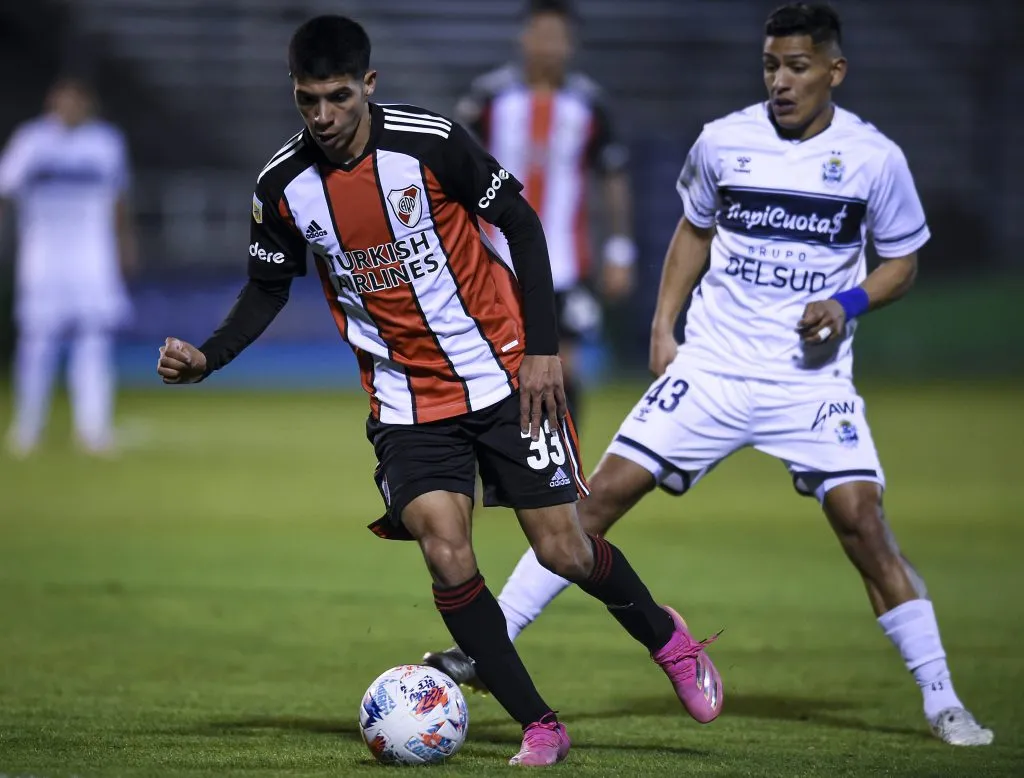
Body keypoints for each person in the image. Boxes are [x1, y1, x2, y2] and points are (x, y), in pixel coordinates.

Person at [155, 16, 721, 768]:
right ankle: (540, 724)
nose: (323, 116)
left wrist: (543, 351)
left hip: (503, 374)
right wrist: (209, 357)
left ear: (368, 85)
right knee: (446, 551)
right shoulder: (283, 185)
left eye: (337, 97)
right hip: (406, 399)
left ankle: (669, 641)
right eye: (307, 100)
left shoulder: (431, 143)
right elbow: (267, 288)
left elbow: (522, 223)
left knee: (564, 550)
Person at [422, 2, 994, 748]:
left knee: (863, 523)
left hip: (809, 382)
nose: (780, 81)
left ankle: (943, 700)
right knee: (593, 504)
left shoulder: (873, 158)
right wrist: (665, 325)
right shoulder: (724, 141)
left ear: (834, 70)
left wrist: (847, 302)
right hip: (714, 366)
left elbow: (904, 262)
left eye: (797, 67)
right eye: (771, 66)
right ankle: (485, 646)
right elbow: (694, 230)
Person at [455, 0, 637, 427]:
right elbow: (455, 164)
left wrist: (620, 250)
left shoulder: (589, 104)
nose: (548, 46)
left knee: (563, 367)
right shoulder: (489, 98)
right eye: (540, 35)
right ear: (523, 38)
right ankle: (494, 457)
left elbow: (613, 176)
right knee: (489, 365)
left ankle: (562, 454)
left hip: (565, 263)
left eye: (557, 37)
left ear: (571, 43)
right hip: (494, 258)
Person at [1, 77, 136, 457]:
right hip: (43, 257)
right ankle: (27, 429)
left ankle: (93, 429)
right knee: (37, 339)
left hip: (92, 256)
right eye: (64, 100)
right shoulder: (31, 141)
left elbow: (118, 199)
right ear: (52, 102)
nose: (70, 107)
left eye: (77, 101)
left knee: (94, 338)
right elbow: (5, 191)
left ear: (87, 105)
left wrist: (125, 245)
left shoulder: (105, 142)